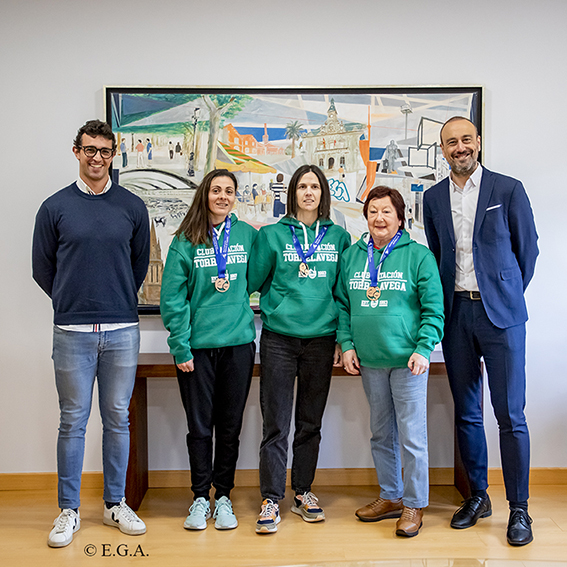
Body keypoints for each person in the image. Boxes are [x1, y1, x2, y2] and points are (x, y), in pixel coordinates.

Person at [32, 120, 150, 548]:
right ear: (77, 152)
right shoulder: (54, 207)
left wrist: (113, 297)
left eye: (104, 150)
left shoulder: (133, 207)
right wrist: (73, 301)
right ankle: (69, 509)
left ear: (113, 154)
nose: (97, 157)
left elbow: (137, 266)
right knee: (73, 421)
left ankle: (115, 503)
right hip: (72, 331)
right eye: (89, 150)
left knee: (118, 419)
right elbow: (42, 269)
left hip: (122, 330)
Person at [423, 116, 539, 546]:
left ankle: (520, 509)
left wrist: (501, 293)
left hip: (502, 318)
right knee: (468, 412)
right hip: (456, 317)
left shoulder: (508, 189)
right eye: (451, 142)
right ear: (443, 149)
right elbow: (438, 254)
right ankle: (478, 497)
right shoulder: (433, 198)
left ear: (478, 142)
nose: (459, 147)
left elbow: (527, 251)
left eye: (465, 139)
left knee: (510, 415)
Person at [335, 186, 444, 538]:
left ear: (400, 217)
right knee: (381, 433)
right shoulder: (353, 255)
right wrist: (347, 345)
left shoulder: (418, 256)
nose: (379, 218)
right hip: (369, 361)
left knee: (412, 436)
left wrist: (424, 348)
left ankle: (414, 504)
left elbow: (434, 310)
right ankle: (391, 496)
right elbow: (342, 305)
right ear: (365, 217)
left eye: (386, 212)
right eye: (372, 212)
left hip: (408, 361)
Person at [248, 164, 351, 534]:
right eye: (302, 186)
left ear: (323, 194)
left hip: (322, 341)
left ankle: (303, 491)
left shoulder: (339, 237)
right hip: (279, 339)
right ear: (292, 193)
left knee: (310, 422)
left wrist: (342, 337)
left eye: (315, 187)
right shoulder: (273, 236)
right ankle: (271, 498)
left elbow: (344, 294)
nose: (309, 192)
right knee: (275, 423)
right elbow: (253, 283)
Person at [160, 169, 258, 531]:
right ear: (205, 194)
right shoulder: (186, 240)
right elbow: (172, 298)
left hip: (238, 346)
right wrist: (180, 346)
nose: (222, 196)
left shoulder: (248, 235)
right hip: (196, 351)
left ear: (235, 197)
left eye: (228, 191)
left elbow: (259, 277)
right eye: (216, 190)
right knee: (200, 428)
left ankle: (225, 498)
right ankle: (201, 497)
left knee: (230, 427)